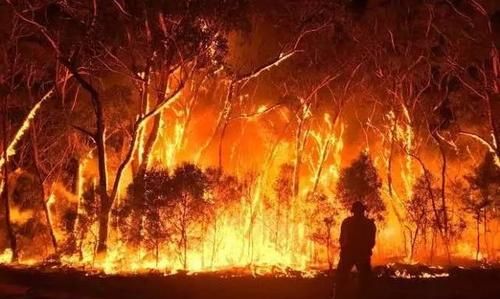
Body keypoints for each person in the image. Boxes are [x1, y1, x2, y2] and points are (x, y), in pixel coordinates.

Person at [334, 201, 376, 299]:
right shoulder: (368, 224)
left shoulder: (347, 222)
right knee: (363, 280)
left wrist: (345, 248)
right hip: (357, 254)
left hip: (353, 254)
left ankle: (339, 295)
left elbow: (342, 239)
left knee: (342, 278)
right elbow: (371, 241)